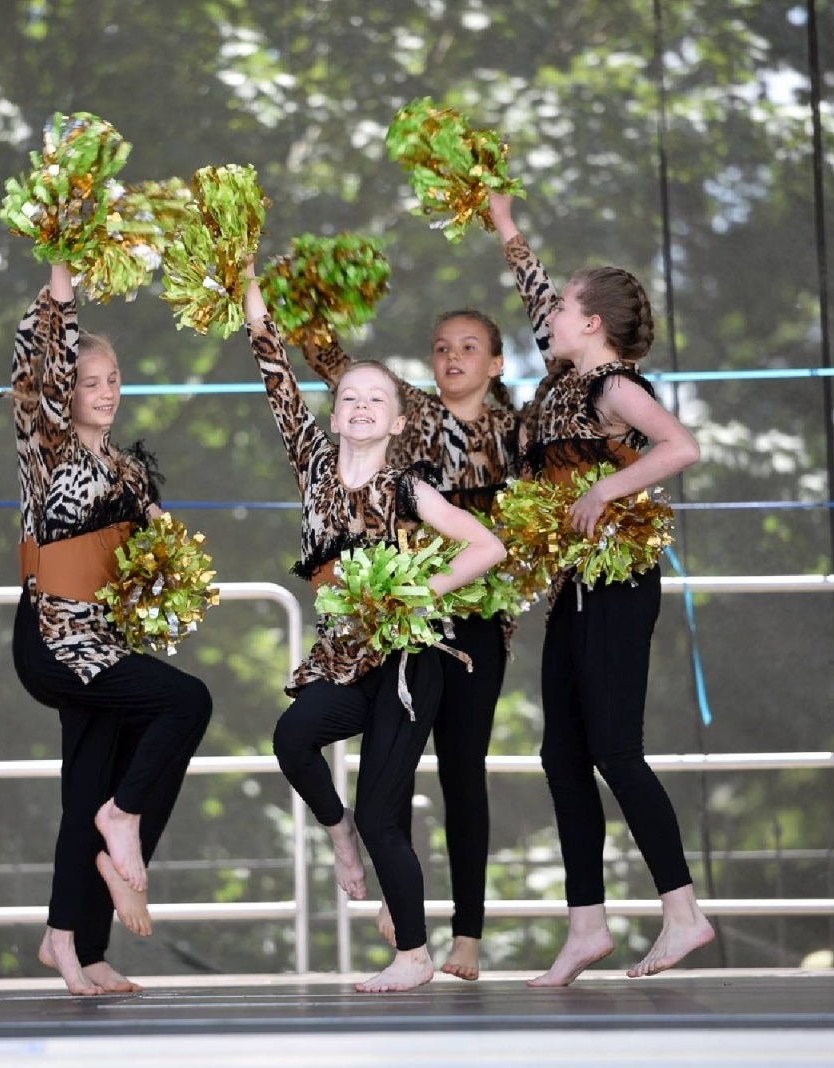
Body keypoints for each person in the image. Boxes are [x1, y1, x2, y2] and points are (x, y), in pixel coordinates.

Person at [296, 222, 558, 981]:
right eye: (442, 347)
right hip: (400, 621)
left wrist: (511, 236)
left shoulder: (521, 427)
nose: (452, 358)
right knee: (390, 767)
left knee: (461, 770)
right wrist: (304, 290)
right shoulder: (406, 408)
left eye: (468, 347)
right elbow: (338, 367)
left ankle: (466, 936)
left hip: (475, 617)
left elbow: (558, 344)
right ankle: (399, 902)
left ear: (497, 360)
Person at [243, 257, 506, 992]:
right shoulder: (314, 469)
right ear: (333, 417)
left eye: (375, 399)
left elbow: (489, 545)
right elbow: (273, 366)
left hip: (404, 661)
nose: (359, 406)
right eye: (349, 397)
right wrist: (246, 279)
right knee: (293, 738)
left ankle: (413, 953)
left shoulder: (407, 486)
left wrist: (422, 589)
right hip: (341, 662)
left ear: (396, 420)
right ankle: (340, 839)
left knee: (384, 807)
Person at [489, 192, 715, 985]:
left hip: (619, 583)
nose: (549, 315)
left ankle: (683, 914)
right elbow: (535, 296)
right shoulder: (559, 372)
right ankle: (587, 924)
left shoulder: (612, 387)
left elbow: (680, 446)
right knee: (561, 754)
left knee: (615, 748)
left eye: (565, 308)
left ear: (592, 323)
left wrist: (603, 495)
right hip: (574, 588)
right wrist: (505, 223)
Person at [4, 260, 213, 995]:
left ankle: (72, 941)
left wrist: (173, 568)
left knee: (86, 784)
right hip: (55, 639)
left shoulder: (127, 468)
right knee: (186, 703)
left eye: (113, 378)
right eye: (89, 381)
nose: (106, 391)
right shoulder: (47, 449)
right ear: (64, 391)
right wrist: (63, 273)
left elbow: (160, 552)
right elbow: (38, 359)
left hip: (106, 642)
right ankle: (123, 822)